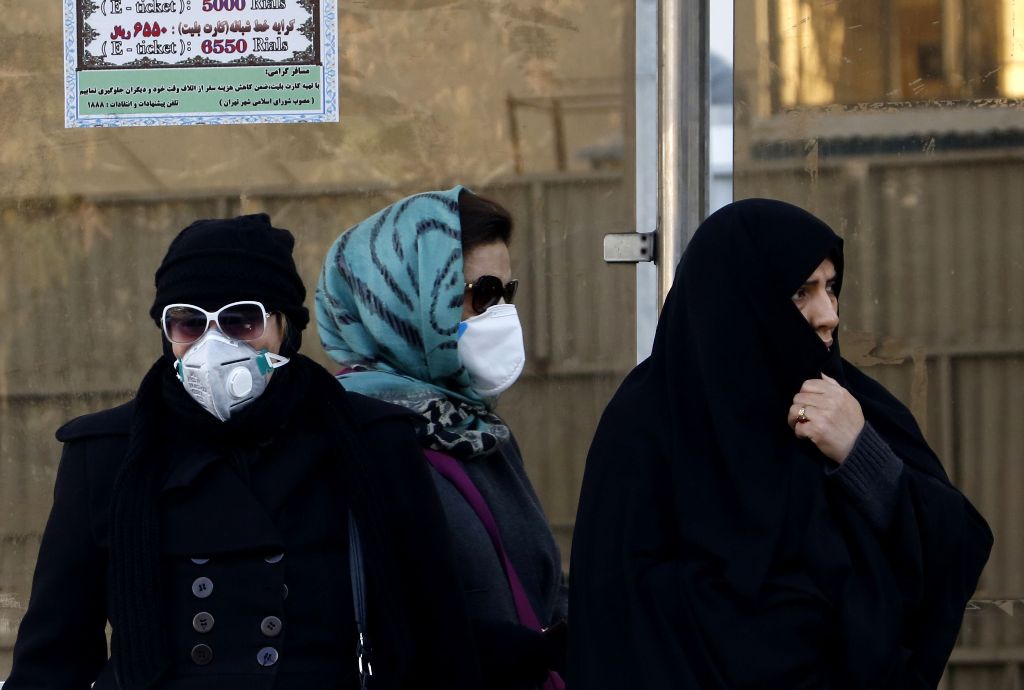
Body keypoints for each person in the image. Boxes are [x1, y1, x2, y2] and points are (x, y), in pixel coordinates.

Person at [6, 214, 481, 690]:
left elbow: (437, 632)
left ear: (284, 327)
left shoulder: (370, 440)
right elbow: (54, 655)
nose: (214, 343)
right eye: (188, 322)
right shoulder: (107, 453)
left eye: (241, 319)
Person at [568, 199, 993, 690]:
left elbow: (955, 540)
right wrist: (797, 616)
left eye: (831, 288)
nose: (828, 314)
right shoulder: (648, 422)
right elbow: (618, 611)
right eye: (800, 292)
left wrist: (863, 455)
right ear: (740, 298)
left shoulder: (849, 401)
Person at [316, 186, 567, 690]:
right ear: (405, 300)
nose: (499, 314)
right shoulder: (349, 437)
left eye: (505, 293)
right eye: (480, 294)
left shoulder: (476, 430)